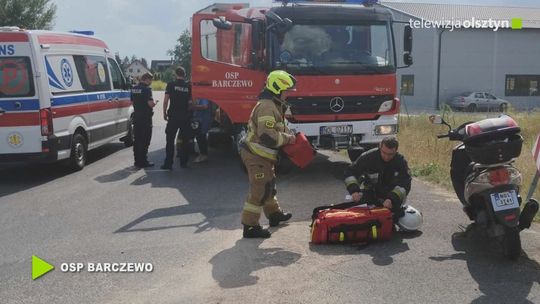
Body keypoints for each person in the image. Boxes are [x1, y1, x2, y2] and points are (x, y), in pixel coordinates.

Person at [240, 70, 298, 238]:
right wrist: (289, 140)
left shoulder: (273, 104)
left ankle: (274, 214)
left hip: (262, 155)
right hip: (255, 154)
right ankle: (250, 226)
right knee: (259, 189)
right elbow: (267, 136)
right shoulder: (267, 107)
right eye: (286, 91)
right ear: (277, 89)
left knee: (268, 184)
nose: (288, 94)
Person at [344, 137, 412, 222]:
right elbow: (350, 172)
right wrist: (354, 190)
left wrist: (392, 199)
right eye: (384, 153)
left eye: (390, 154)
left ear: (396, 151)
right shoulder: (368, 157)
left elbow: (405, 183)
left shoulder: (400, 161)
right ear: (380, 147)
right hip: (371, 191)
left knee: (395, 217)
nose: (386, 157)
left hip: (390, 196)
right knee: (358, 214)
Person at [161, 67, 192, 170]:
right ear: (184, 74)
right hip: (185, 117)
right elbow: (191, 103)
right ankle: (184, 163)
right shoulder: (189, 86)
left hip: (173, 116)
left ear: (175, 74)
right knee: (185, 141)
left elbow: (166, 101)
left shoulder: (171, 85)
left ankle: (168, 164)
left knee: (170, 140)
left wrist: (164, 112)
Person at [131, 72, 156, 168]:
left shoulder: (134, 89)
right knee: (145, 140)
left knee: (137, 140)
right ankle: (143, 161)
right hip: (146, 118)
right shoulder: (147, 90)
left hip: (136, 117)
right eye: (151, 80)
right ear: (147, 79)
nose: (151, 82)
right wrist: (155, 103)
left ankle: (137, 161)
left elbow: (132, 101)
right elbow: (150, 104)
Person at [191, 98, 212, 163]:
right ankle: (202, 154)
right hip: (199, 118)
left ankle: (204, 155)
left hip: (202, 119)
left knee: (201, 136)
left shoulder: (204, 96)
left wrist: (193, 107)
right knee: (199, 136)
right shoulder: (198, 96)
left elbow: (205, 106)